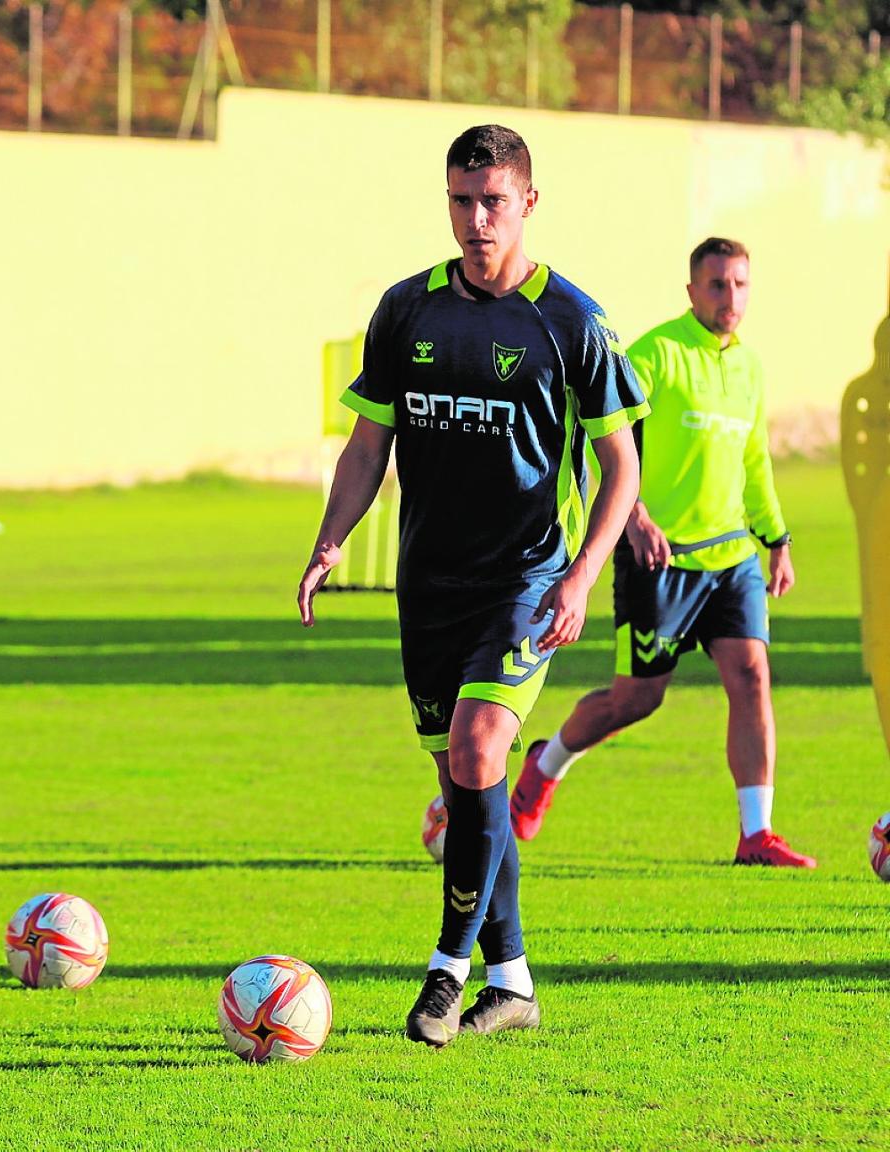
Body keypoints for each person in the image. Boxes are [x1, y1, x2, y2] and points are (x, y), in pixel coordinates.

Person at [297, 125, 648, 1048]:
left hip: (528, 579)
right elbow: (368, 444)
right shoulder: (406, 311)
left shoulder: (573, 321)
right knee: (466, 787)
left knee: (481, 743)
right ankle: (514, 981)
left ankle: (445, 974)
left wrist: (580, 579)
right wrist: (332, 540)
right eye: (461, 199)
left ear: (530, 200)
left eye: (494, 200)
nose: (476, 219)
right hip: (431, 587)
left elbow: (622, 470)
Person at [511, 237, 815, 869]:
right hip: (660, 561)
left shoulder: (751, 368)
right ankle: (547, 764)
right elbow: (609, 445)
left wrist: (776, 538)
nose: (730, 297)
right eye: (716, 285)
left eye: (739, 285)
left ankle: (756, 834)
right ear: (691, 290)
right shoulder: (655, 354)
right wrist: (635, 518)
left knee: (753, 677)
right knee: (636, 700)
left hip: (732, 559)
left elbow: (754, 462)